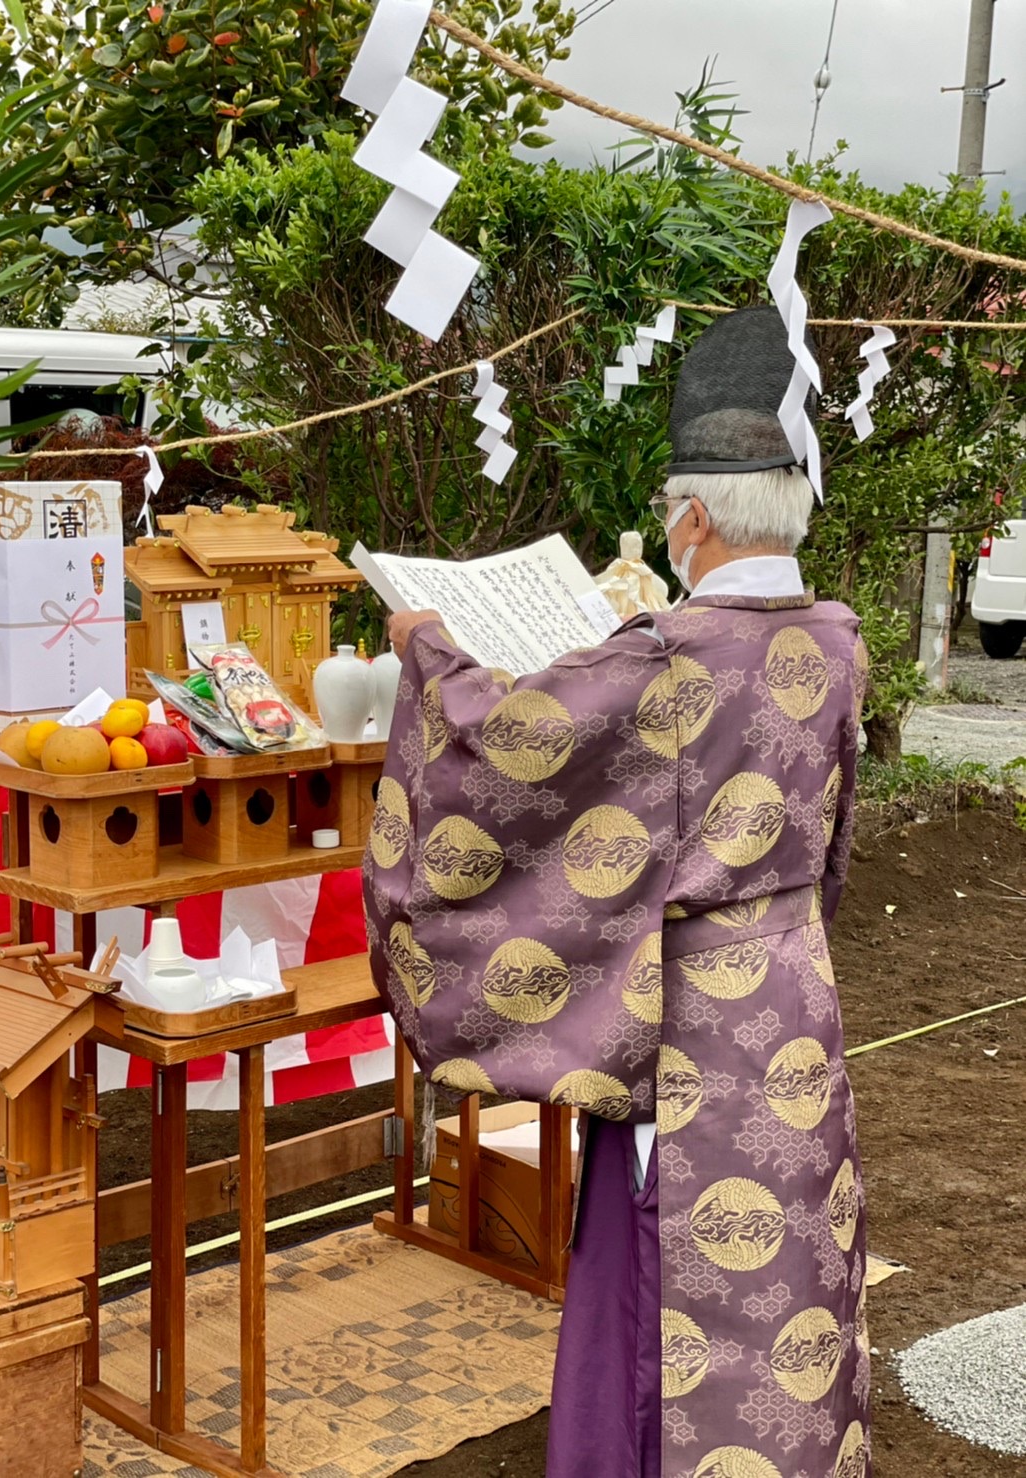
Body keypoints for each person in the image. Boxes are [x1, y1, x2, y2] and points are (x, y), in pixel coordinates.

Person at [368, 306, 870, 1478]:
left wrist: (430, 647)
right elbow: (831, 837)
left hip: (691, 1017)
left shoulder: (666, 656)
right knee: (793, 1255)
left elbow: (501, 745)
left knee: (676, 1274)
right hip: (794, 994)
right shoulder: (836, 636)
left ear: (694, 516)